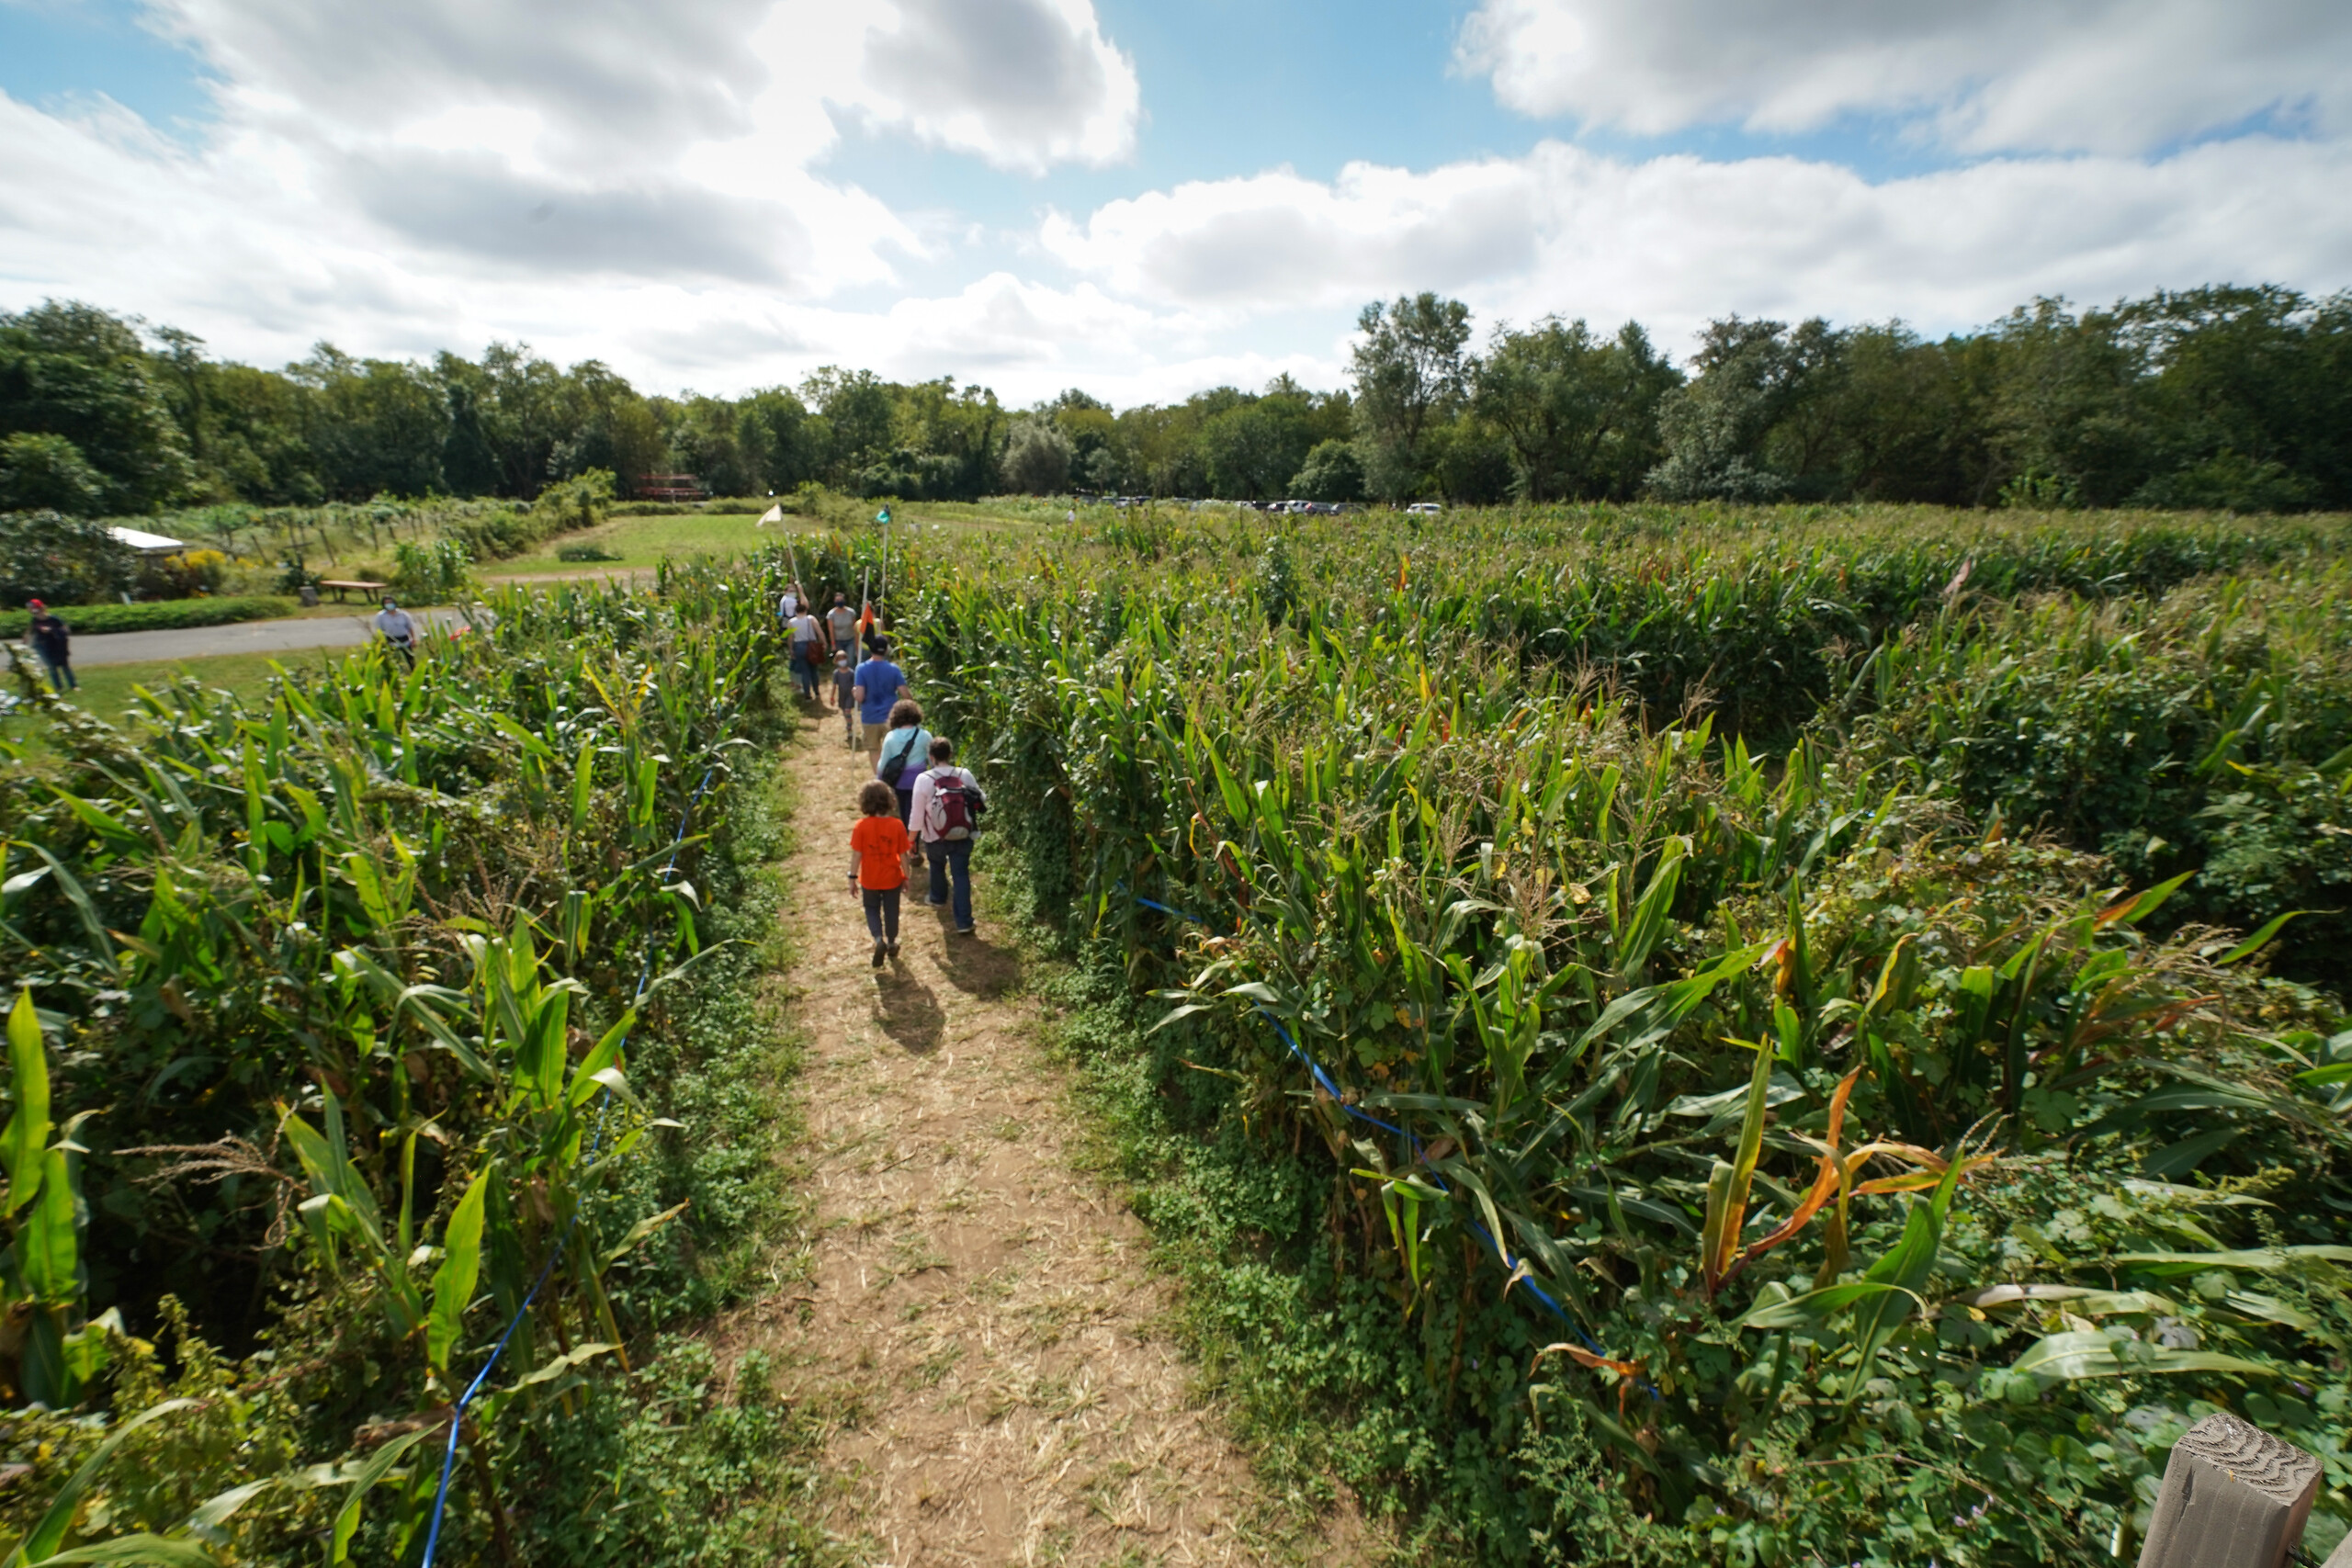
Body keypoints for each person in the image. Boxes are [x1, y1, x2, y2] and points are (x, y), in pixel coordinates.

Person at [910, 737, 985, 935]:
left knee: (936, 865)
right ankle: (964, 922)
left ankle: (937, 897)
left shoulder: (924, 779)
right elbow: (981, 798)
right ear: (950, 755)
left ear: (931, 757)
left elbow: (916, 815)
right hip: (963, 834)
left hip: (935, 837)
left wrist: (911, 840)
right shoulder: (964, 774)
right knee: (960, 874)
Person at [848, 778, 910, 967]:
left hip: (869, 879)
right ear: (889, 801)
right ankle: (891, 942)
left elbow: (856, 855)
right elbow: (904, 855)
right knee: (892, 911)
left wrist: (852, 877)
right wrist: (906, 876)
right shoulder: (897, 825)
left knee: (871, 909)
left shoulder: (861, 826)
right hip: (892, 878)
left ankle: (878, 940)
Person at [875, 698, 933, 867]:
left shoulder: (891, 737)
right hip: (921, 782)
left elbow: (882, 764)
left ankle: (911, 848)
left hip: (900, 783)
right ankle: (917, 846)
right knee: (920, 813)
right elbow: (933, 760)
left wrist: (879, 782)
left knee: (906, 813)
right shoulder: (924, 735)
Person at [853, 637, 906, 764]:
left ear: (870, 649)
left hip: (870, 717)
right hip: (891, 717)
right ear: (886, 650)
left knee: (874, 750)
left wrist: (854, 692)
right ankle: (894, 777)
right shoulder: (894, 669)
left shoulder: (861, 669)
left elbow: (860, 697)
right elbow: (905, 693)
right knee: (894, 750)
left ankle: (879, 778)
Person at [25, 600, 74, 692]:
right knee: (51, 667)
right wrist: (24, 644)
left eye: (36, 610)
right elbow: (29, 633)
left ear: (42, 608)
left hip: (58, 645)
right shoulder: (34, 620)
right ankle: (58, 686)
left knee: (65, 666)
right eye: (32, 611)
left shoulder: (54, 619)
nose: (34, 613)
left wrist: (51, 630)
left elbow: (66, 630)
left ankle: (73, 686)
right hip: (44, 646)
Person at [786, 604, 824, 699]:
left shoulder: (791, 622)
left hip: (799, 646)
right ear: (805, 610)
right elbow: (820, 632)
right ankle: (817, 692)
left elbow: (790, 638)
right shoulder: (810, 619)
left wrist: (791, 649)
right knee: (814, 670)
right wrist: (824, 643)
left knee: (805, 672)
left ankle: (807, 695)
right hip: (811, 645)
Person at [374, 595, 419, 668]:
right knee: (396, 662)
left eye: (390, 602)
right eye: (387, 603)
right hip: (391, 642)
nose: (389, 604)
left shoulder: (403, 614)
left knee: (411, 660)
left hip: (405, 641)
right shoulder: (381, 616)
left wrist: (413, 639)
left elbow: (410, 627)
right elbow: (379, 630)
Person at [831, 649, 857, 747]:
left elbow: (855, 685)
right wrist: (832, 697)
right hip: (842, 696)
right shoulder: (836, 673)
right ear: (836, 661)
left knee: (847, 710)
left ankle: (849, 728)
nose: (842, 661)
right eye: (839, 659)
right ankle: (849, 725)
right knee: (845, 712)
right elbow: (834, 686)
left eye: (843, 658)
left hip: (850, 695)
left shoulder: (851, 673)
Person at [825, 592, 858, 659]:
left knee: (850, 660)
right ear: (834, 601)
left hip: (850, 640)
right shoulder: (831, 614)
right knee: (841, 660)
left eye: (841, 599)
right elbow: (831, 630)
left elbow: (855, 627)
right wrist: (833, 644)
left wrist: (856, 642)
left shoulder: (851, 612)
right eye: (837, 600)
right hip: (838, 641)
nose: (839, 601)